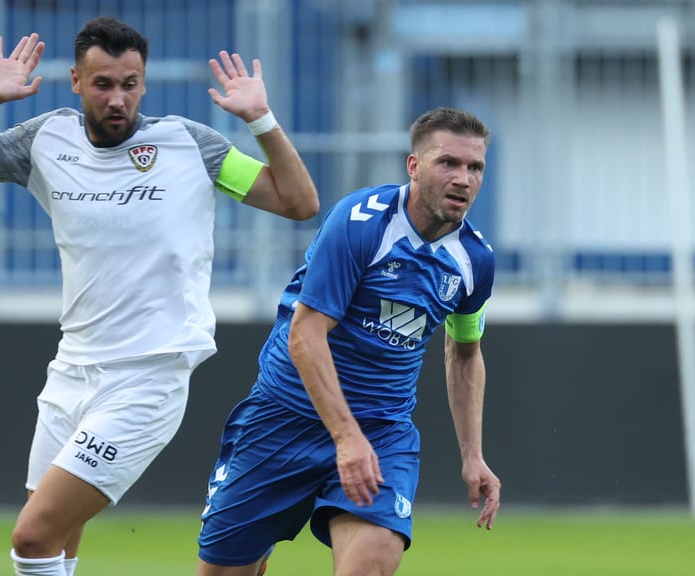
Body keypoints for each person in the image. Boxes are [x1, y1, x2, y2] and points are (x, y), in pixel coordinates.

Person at [0, 16, 319, 576]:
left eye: (130, 83)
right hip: (72, 370)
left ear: (144, 84)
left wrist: (261, 119)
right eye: (103, 83)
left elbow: (298, 203)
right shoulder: (43, 139)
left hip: (148, 376)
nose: (117, 97)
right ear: (76, 80)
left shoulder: (190, 146)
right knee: (56, 542)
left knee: (32, 537)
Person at [196, 107, 501, 576]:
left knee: (370, 565)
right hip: (284, 419)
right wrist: (344, 437)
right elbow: (305, 334)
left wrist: (473, 455)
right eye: (448, 163)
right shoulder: (362, 223)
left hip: (382, 432)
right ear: (414, 166)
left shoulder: (474, 261)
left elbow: (464, 354)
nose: (463, 179)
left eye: (474, 167)